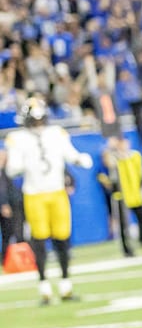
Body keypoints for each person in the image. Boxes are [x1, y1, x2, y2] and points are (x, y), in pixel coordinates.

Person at [6, 96, 93, 305]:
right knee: (39, 239)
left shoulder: (56, 134)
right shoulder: (17, 139)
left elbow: (71, 154)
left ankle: (65, 284)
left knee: (62, 237)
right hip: (34, 194)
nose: (37, 125)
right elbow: (12, 169)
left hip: (56, 191)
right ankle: (44, 285)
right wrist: (23, 161)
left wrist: (80, 159)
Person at [100, 135, 142, 256]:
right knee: (124, 226)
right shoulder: (113, 157)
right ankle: (128, 250)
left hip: (135, 193)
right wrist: (110, 148)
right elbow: (107, 161)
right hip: (121, 196)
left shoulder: (135, 155)